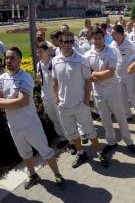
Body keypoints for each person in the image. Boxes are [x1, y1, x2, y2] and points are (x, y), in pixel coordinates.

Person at [0, 47, 65, 189]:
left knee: (45, 151)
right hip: (14, 126)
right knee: (24, 153)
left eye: (12, 58)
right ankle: (33, 175)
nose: (8, 61)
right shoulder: (2, 78)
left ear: (20, 61)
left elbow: (22, 101)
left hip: (31, 125)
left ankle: (57, 175)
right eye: (7, 58)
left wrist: (7, 103)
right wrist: (11, 103)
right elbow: (9, 102)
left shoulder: (25, 78)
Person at [52, 31, 109, 168]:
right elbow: (54, 81)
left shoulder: (81, 59)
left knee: (90, 131)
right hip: (64, 106)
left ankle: (99, 152)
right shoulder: (55, 60)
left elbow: (88, 81)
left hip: (80, 105)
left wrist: (85, 100)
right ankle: (81, 152)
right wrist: (56, 98)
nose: (69, 45)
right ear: (60, 43)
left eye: (72, 42)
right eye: (66, 42)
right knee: (72, 133)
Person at [85, 28, 135, 154]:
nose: (97, 41)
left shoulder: (111, 51)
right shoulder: (87, 55)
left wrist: (94, 74)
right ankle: (111, 142)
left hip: (113, 90)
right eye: (95, 38)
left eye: (99, 38)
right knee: (105, 119)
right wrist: (95, 75)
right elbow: (87, 76)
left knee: (120, 118)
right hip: (98, 92)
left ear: (104, 38)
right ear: (92, 39)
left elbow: (110, 73)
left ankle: (128, 141)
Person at [36, 42, 69, 150]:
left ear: (47, 51)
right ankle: (63, 139)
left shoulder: (54, 63)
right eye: (37, 52)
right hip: (46, 97)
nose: (38, 54)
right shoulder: (39, 65)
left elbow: (62, 80)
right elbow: (40, 81)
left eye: (40, 52)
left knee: (62, 119)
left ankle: (72, 141)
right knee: (54, 119)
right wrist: (38, 79)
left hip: (56, 96)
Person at [110, 24, 135, 121]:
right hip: (118, 76)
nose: (112, 35)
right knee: (122, 97)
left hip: (130, 75)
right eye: (112, 33)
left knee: (133, 96)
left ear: (121, 34)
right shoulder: (112, 45)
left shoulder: (130, 45)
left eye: (114, 33)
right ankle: (127, 115)